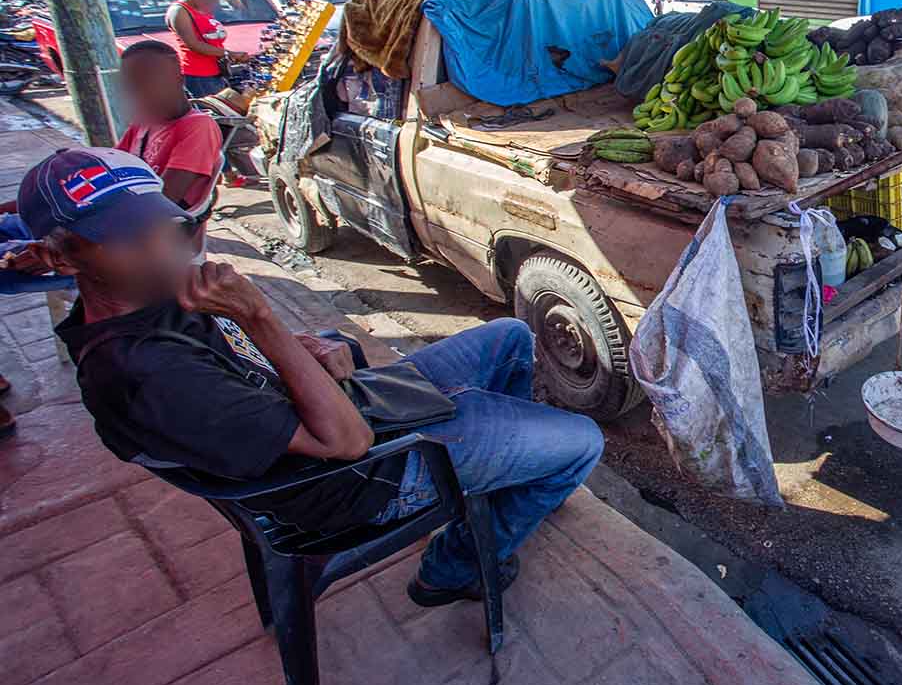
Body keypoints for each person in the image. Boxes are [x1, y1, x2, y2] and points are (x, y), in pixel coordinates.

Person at [23, 146, 603, 609]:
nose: (161, 249)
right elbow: (344, 443)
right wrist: (258, 315)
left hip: (353, 407)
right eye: (127, 239)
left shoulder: (154, 299)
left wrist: (312, 349)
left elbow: (250, 366)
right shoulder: (143, 371)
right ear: (62, 258)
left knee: (511, 337)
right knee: (582, 443)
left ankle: (492, 483)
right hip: (357, 479)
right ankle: (454, 568)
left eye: (162, 226)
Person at [114, 39, 224, 257]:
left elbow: (167, 199)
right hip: (137, 217)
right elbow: (114, 166)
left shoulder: (197, 127)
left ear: (178, 79)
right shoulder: (144, 122)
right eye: (132, 84)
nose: (140, 91)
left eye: (150, 81)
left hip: (163, 230)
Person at [167, 0, 247, 98]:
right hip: (198, 75)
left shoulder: (204, 9)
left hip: (216, 72)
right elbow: (193, 44)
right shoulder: (179, 11)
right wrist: (230, 54)